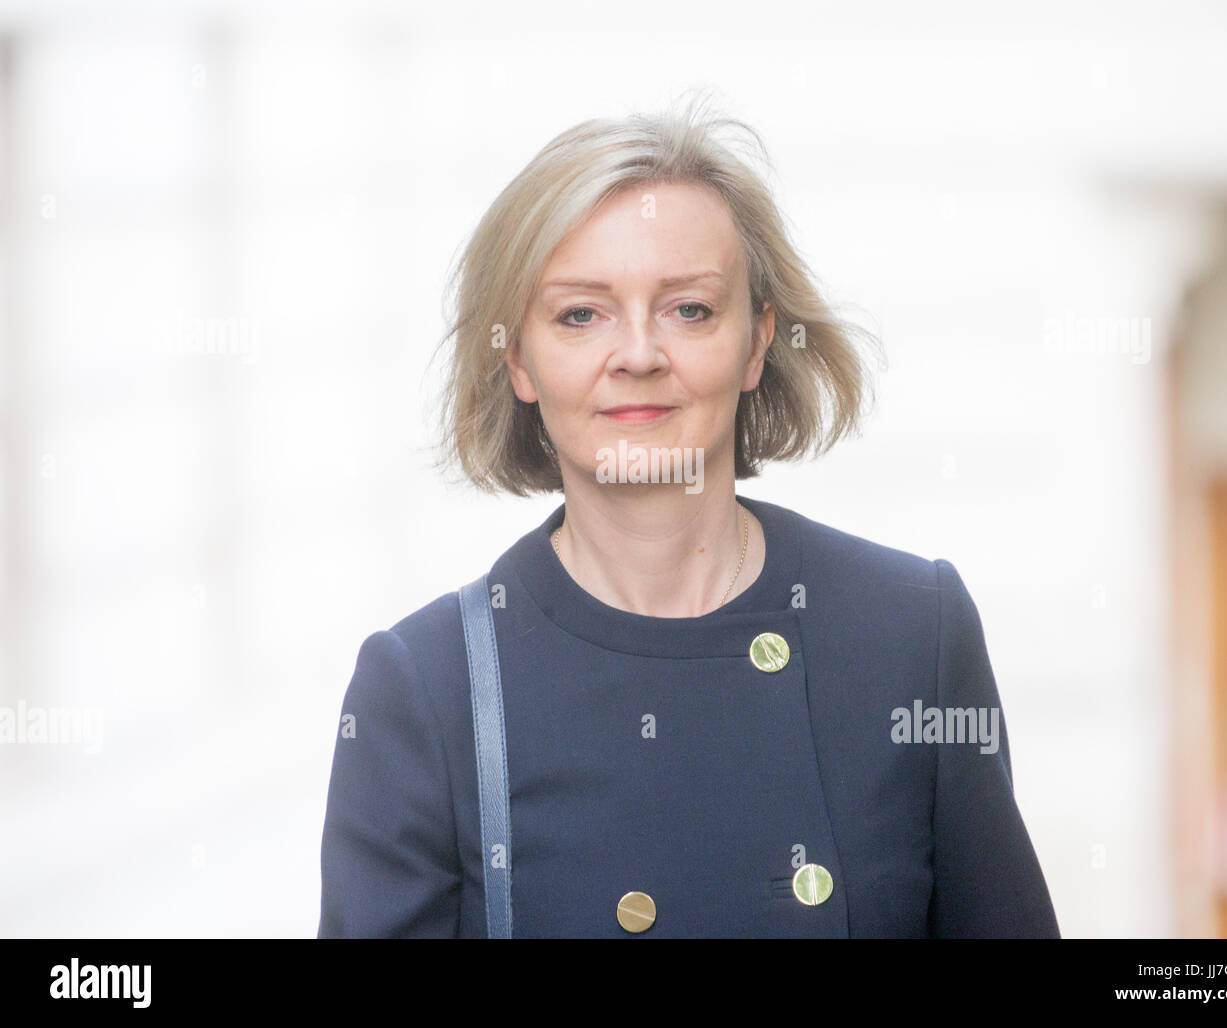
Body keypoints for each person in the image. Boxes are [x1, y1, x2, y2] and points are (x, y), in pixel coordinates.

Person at [316, 96, 1060, 938]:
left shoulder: (909, 632)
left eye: (689, 309)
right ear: (518, 359)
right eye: (581, 314)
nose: (637, 354)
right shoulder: (425, 689)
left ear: (755, 344)